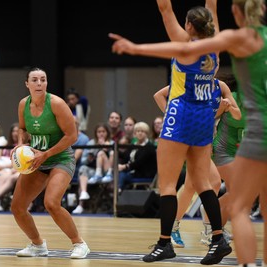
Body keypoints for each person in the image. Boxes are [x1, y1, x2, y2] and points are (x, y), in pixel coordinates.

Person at [111, 1, 267, 265]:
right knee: (203, 182)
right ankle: (218, 239)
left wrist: (134, 47)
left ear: (189, 26)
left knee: (168, 185)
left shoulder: (188, 50)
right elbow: (212, 7)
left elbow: (163, 8)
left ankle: (164, 243)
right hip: (205, 118)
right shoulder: (216, 45)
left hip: (181, 115)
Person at [10, 67, 90, 259]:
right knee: (17, 207)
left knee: (51, 203)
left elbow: (72, 136)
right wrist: (20, 145)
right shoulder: (23, 104)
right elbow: (22, 128)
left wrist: (46, 154)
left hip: (60, 158)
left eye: (43, 80)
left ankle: (79, 243)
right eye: (35, 80)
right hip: (36, 160)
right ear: (27, 84)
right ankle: (37, 245)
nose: (39, 83)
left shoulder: (56, 104)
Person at [154, 74, 242, 248]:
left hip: (203, 141)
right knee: (213, 181)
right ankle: (209, 231)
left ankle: (176, 227)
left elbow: (236, 115)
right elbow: (159, 95)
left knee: (191, 186)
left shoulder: (221, 87)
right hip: (185, 138)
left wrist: (228, 107)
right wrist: (170, 116)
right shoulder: (190, 83)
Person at [71, 123, 113, 214]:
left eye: (103, 132)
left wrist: (105, 148)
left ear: (107, 133)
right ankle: (82, 199)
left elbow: (114, 159)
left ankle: (99, 175)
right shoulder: (91, 143)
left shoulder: (112, 143)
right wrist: (90, 157)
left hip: (106, 171)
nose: (101, 134)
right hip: (93, 170)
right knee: (82, 169)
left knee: (101, 153)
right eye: (99, 132)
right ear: (95, 133)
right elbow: (83, 160)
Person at [117, 122, 157, 193]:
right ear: (135, 133)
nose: (140, 133)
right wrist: (120, 164)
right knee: (117, 173)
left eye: (142, 131)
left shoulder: (149, 147)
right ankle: (119, 191)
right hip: (132, 171)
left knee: (123, 175)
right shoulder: (133, 145)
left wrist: (125, 166)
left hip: (144, 173)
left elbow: (139, 162)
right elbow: (125, 157)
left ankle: (118, 190)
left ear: (147, 133)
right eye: (138, 131)